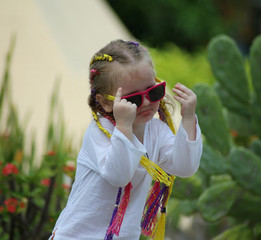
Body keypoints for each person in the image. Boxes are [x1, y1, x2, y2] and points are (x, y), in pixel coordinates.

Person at [49, 39, 203, 240]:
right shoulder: (101, 131)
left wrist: (189, 118)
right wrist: (124, 127)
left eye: (153, 91)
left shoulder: (156, 131)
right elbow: (120, 175)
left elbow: (185, 166)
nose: (147, 102)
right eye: (134, 99)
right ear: (105, 102)